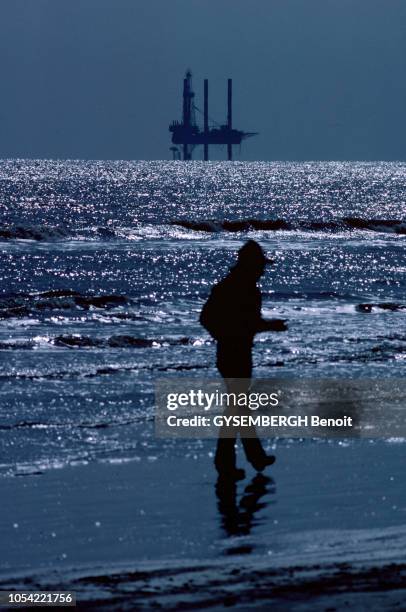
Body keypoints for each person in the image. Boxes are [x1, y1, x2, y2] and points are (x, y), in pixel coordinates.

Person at [200, 240, 287, 480]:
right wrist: (266, 327)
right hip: (233, 354)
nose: (263, 270)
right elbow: (211, 318)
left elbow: (214, 319)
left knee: (238, 408)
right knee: (237, 409)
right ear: (251, 265)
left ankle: (246, 458)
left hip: (236, 352)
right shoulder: (238, 288)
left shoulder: (237, 286)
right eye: (260, 265)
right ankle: (231, 461)